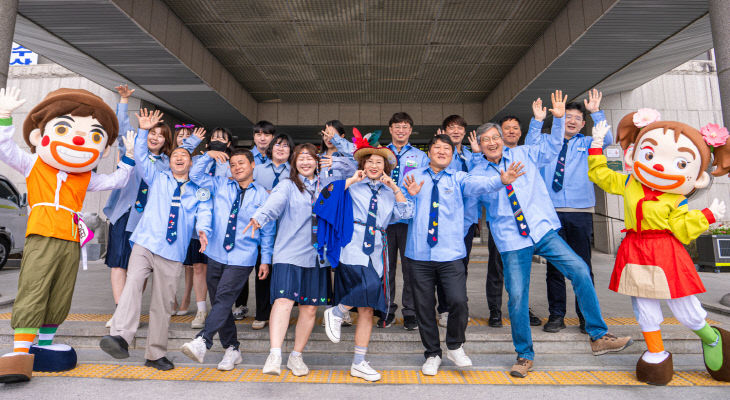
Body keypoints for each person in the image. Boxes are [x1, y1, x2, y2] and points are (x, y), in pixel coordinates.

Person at [471, 90, 632, 378]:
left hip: (541, 230)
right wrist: (500, 180)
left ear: (503, 139)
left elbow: (551, 148)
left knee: (580, 270)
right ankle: (524, 355)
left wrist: (557, 120)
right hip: (512, 239)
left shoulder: (523, 153)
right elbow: (474, 189)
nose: (493, 142)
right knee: (517, 297)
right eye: (486, 141)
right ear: (480, 147)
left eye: (496, 137)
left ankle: (598, 336)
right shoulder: (477, 170)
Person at [0, 87, 134, 382]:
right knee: (34, 287)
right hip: (43, 234)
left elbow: (118, 179)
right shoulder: (34, 163)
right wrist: (5, 117)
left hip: (71, 238)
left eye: (94, 136)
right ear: (39, 137)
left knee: (61, 291)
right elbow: (5, 149)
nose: (78, 140)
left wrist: (130, 156)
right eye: (64, 128)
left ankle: (44, 346)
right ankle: (21, 349)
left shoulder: (86, 176)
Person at [588, 112, 730, 384]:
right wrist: (596, 146)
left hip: (665, 252)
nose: (660, 167)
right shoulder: (630, 182)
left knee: (683, 306)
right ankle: (656, 353)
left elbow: (681, 226)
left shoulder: (676, 199)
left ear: (696, 176)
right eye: (651, 155)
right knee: (644, 306)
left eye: (679, 162)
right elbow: (602, 175)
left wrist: (707, 216)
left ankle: (712, 339)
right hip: (635, 250)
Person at [399, 134, 524, 376]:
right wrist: (410, 195)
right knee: (424, 306)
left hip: (450, 254)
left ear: (453, 154)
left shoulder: (459, 178)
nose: (442, 151)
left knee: (458, 301)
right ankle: (432, 353)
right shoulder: (412, 178)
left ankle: (455, 345)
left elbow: (481, 184)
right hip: (418, 255)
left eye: (447, 148)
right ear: (429, 152)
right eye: (437, 147)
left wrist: (501, 181)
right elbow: (402, 214)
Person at [99, 109, 212, 372]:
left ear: (191, 163)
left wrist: (204, 230)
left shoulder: (199, 191)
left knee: (162, 304)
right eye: (175, 156)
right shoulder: (157, 177)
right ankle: (121, 337)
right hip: (145, 243)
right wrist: (142, 130)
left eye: (184, 156)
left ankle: (155, 354)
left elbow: (204, 214)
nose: (179, 158)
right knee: (133, 286)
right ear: (168, 161)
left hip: (173, 252)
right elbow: (140, 156)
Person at [321, 135, 413, 382]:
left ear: (386, 168)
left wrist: (395, 187)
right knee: (371, 286)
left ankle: (359, 362)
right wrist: (351, 180)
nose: (374, 165)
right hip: (353, 246)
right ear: (363, 164)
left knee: (367, 308)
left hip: (377, 250)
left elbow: (405, 213)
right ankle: (338, 312)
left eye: (379, 163)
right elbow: (326, 198)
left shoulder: (388, 192)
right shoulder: (351, 186)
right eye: (370, 161)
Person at [526, 89, 613, 334]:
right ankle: (556, 316)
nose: (572, 121)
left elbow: (607, 140)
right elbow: (530, 146)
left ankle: (586, 316)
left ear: (583, 123)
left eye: (577, 118)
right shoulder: (545, 141)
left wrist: (597, 113)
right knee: (554, 266)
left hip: (580, 211)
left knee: (583, 266)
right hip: (550, 212)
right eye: (568, 117)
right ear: (560, 118)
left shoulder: (587, 143)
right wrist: (537, 121)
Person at [180, 148, 275, 371]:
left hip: (243, 256)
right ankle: (232, 348)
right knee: (220, 304)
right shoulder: (220, 184)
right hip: (215, 252)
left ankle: (203, 340)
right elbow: (195, 176)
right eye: (232, 164)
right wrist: (208, 155)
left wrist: (266, 260)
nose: (237, 167)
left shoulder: (263, 195)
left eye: (241, 163)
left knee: (223, 298)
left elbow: (268, 231)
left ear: (253, 165)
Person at [332, 112, 429, 329]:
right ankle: (385, 310)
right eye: (397, 126)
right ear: (391, 129)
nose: (401, 130)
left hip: (405, 218)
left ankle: (410, 312)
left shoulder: (420, 156)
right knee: (385, 269)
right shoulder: (380, 155)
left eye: (405, 126)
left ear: (410, 130)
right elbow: (352, 153)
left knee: (410, 268)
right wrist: (337, 141)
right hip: (380, 222)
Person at [244, 143, 331, 377]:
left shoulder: (327, 186)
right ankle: (274, 354)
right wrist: (259, 218)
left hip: (316, 256)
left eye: (310, 158)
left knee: (310, 308)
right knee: (283, 302)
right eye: (300, 158)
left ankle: (296, 356)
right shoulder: (288, 185)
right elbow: (274, 205)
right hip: (289, 253)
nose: (305, 162)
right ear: (294, 163)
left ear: (317, 161)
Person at [102, 85, 180, 329]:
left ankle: (130, 310)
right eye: (152, 133)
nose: (155, 137)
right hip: (123, 213)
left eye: (161, 135)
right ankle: (120, 312)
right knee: (118, 263)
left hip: (147, 221)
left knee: (138, 268)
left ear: (167, 141)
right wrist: (124, 100)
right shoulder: (134, 148)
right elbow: (123, 127)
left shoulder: (169, 164)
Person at [485, 114, 542, 328]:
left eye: (515, 128)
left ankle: (522, 309)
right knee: (496, 267)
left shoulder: (526, 155)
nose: (511, 131)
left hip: (525, 222)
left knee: (522, 269)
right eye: (506, 128)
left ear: (520, 132)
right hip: (500, 222)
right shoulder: (490, 157)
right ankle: (495, 310)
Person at [174, 126, 233, 330]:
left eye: (223, 138)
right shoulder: (199, 161)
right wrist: (208, 156)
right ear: (208, 144)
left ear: (229, 144)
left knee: (222, 270)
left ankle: (221, 308)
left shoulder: (231, 164)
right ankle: (201, 310)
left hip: (223, 225)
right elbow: (190, 172)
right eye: (215, 138)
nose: (218, 141)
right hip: (196, 223)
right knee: (198, 267)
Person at [234, 133, 293, 329]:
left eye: (285, 146)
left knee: (276, 271)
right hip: (256, 227)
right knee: (257, 266)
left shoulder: (294, 172)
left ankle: (268, 311)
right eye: (277, 145)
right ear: (270, 149)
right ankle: (248, 308)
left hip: (285, 228)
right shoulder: (257, 169)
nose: (281, 148)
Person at [435, 114, 481, 327]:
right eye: (451, 128)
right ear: (444, 131)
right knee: (445, 266)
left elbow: (480, 180)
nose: (456, 131)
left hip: (467, 220)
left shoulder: (472, 156)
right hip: (445, 220)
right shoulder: (442, 155)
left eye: (460, 128)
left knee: (462, 266)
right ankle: (444, 309)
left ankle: (459, 307)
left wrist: (479, 155)